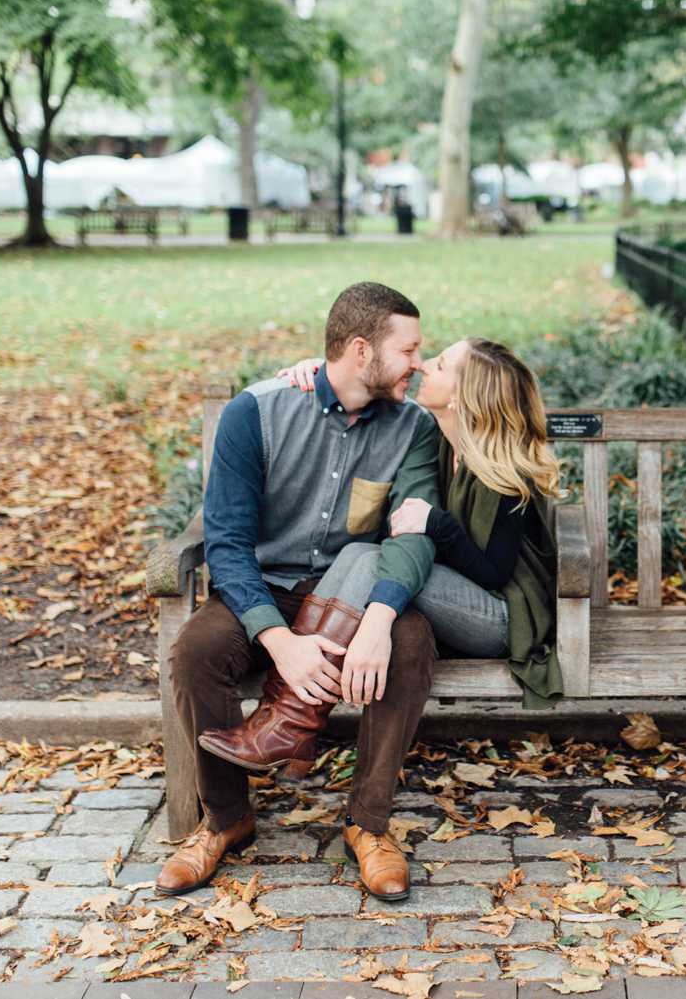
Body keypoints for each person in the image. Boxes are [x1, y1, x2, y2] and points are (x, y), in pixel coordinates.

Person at [157, 281, 439, 904]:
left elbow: (414, 535)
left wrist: (377, 624)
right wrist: (280, 641)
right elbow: (226, 542)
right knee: (196, 652)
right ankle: (225, 817)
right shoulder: (255, 412)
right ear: (362, 351)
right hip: (266, 588)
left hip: (352, 594)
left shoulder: (415, 428)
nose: (418, 364)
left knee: (411, 643)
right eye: (410, 350)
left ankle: (368, 825)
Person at [243, 338, 567, 703]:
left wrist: (436, 524)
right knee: (357, 553)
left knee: (373, 561)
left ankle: (288, 713)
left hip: (504, 618)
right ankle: (291, 693)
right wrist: (323, 372)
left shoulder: (503, 474)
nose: (424, 365)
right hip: (456, 597)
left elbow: (494, 573)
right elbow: (368, 388)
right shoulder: (444, 440)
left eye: (441, 365)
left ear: (461, 397)